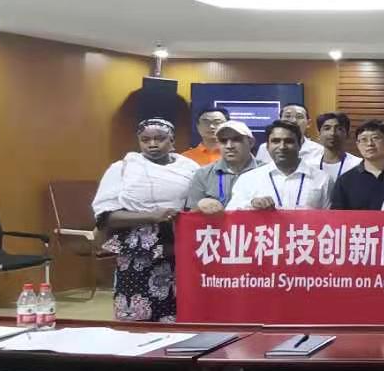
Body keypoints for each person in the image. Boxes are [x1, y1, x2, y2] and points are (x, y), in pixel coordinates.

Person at [91, 118, 198, 321]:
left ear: (172, 140)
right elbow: (106, 217)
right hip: (137, 254)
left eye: (159, 138)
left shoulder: (189, 168)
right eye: (145, 139)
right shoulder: (123, 168)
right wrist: (152, 216)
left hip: (180, 248)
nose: (152, 144)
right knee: (137, 316)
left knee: (181, 314)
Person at [229, 121, 333, 210]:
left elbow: (332, 219)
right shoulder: (248, 179)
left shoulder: (323, 179)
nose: (282, 147)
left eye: (289, 141)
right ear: (267, 146)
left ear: (300, 145)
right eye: (276, 141)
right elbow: (231, 213)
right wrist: (251, 204)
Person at [185, 119, 259, 213]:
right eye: (223, 141)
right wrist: (200, 205)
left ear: (251, 142)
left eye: (236, 140)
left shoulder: (267, 171)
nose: (229, 146)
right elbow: (191, 214)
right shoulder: (203, 174)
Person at [331, 120, 384, 210]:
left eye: (375, 138)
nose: (370, 144)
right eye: (364, 140)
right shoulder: (345, 181)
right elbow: (337, 215)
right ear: (358, 145)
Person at [304, 112, 361, 185]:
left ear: (347, 134)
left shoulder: (357, 165)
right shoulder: (308, 165)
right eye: (327, 128)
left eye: (339, 129)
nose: (332, 133)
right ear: (319, 134)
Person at [255, 104, 322, 164]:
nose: (293, 120)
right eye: (287, 116)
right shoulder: (264, 148)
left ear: (308, 123)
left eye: (299, 117)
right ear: (280, 120)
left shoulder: (318, 150)